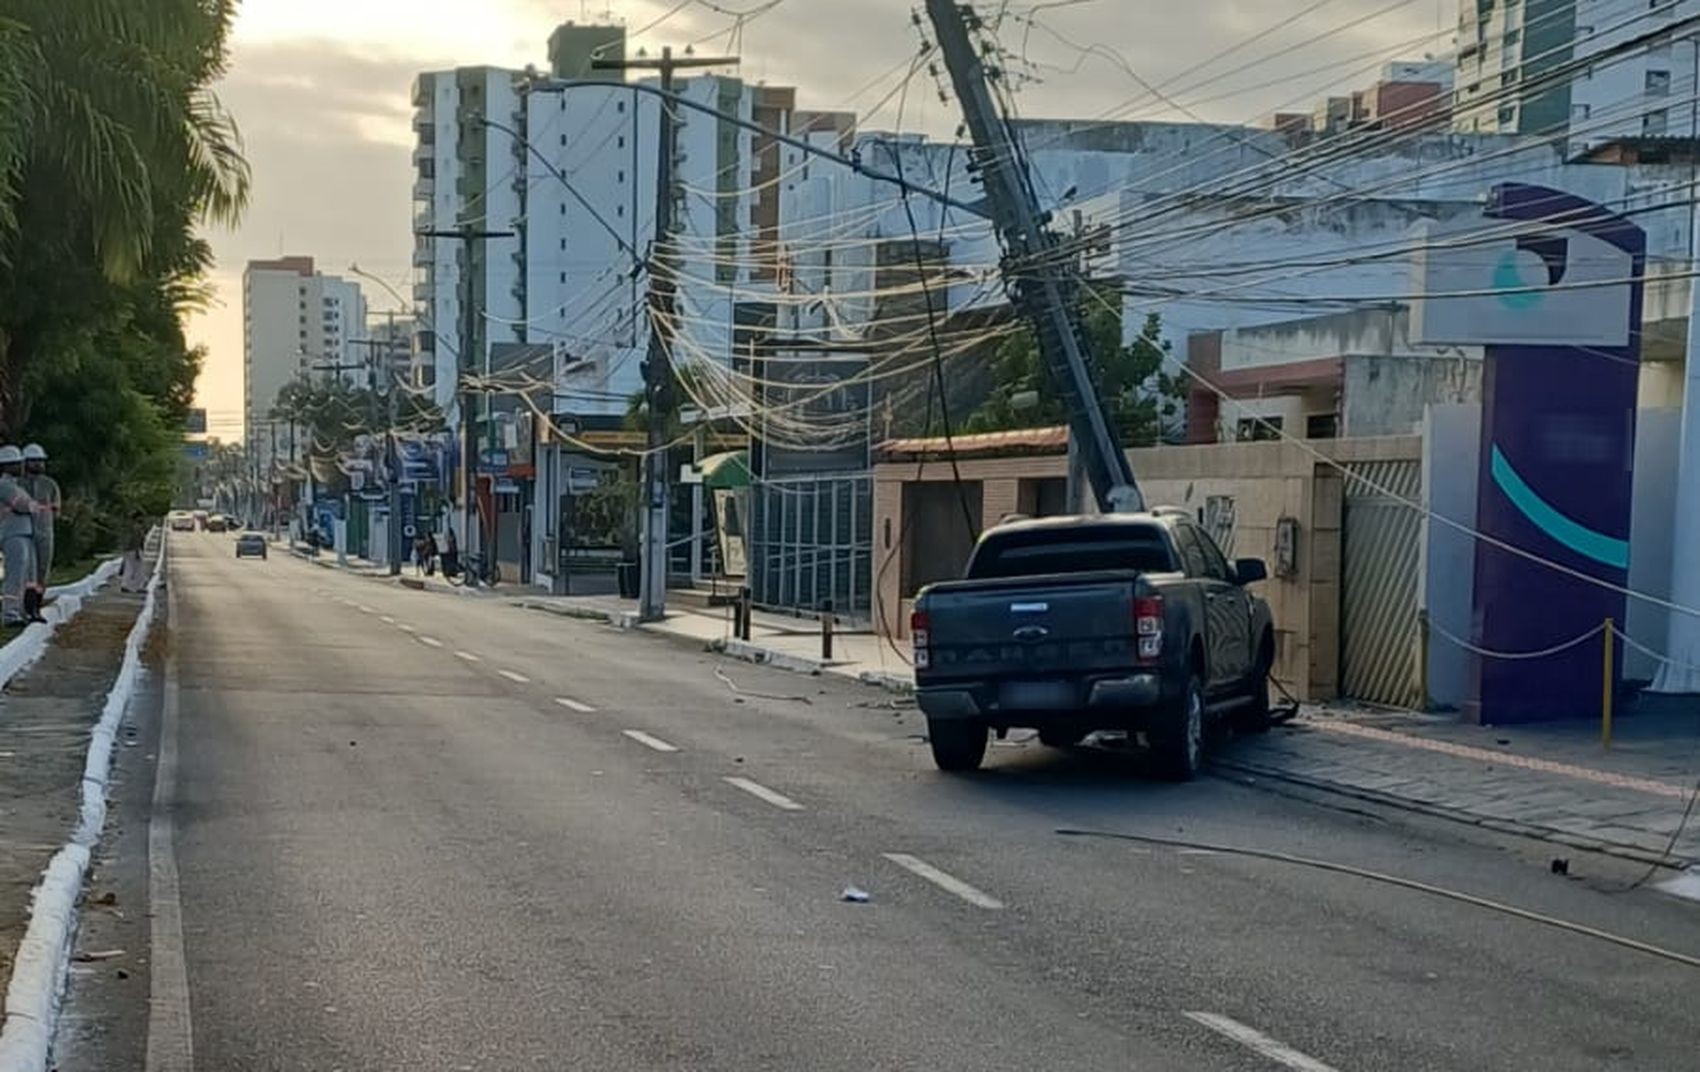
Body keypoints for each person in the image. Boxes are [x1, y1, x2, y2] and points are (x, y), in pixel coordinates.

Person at [0, 446, 39, 625]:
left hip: (23, 532)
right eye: (17, 464)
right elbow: (24, 506)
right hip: (13, 532)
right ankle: (10, 614)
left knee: (24, 575)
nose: (21, 466)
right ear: (7, 465)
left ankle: (20, 611)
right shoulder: (4, 485)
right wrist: (31, 505)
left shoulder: (15, 485)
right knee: (15, 575)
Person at [22, 444, 58, 616]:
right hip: (24, 533)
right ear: (26, 463)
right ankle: (27, 604)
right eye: (34, 461)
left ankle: (37, 601)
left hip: (45, 531)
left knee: (42, 569)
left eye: (40, 462)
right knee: (27, 569)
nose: (38, 465)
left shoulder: (50, 484)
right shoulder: (17, 484)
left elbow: (56, 509)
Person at [119, 508, 149, 593]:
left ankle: (125, 585)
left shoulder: (129, 526)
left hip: (129, 550)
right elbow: (137, 540)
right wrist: (137, 551)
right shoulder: (137, 528)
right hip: (135, 550)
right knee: (139, 569)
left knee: (129, 568)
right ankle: (139, 587)